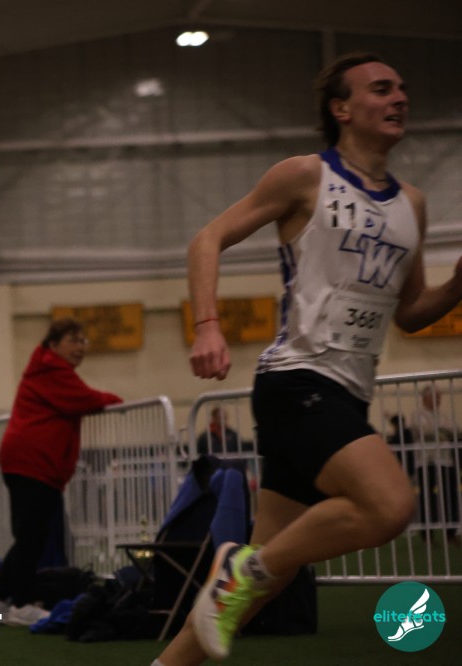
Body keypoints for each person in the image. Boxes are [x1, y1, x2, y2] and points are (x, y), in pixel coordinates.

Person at [154, 53, 462, 665]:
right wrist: (208, 326)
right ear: (341, 108)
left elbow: (409, 312)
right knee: (390, 507)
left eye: (402, 88)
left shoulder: (413, 204)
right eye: (381, 89)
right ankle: (242, 568)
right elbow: (206, 239)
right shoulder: (305, 176)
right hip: (296, 380)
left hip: (349, 391)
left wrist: (455, 288)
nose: (399, 97)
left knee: (266, 585)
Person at [0, 318, 122, 626]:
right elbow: (85, 400)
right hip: (32, 462)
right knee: (30, 539)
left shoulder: (48, 369)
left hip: (30, 462)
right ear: (53, 345)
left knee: (30, 538)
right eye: (73, 340)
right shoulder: (52, 371)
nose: (80, 347)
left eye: (83, 341)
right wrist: (115, 401)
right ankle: (15, 603)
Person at [411, 384, 460, 543]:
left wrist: (440, 431)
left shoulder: (444, 415)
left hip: (445, 461)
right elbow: (424, 431)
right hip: (426, 462)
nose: (438, 400)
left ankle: (451, 532)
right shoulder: (417, 415)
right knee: (427, 497)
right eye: (435, 397)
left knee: (450, 495)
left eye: (439, 397)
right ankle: (427, 534)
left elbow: (456, 430)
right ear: (425, 398)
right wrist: (443, 431)